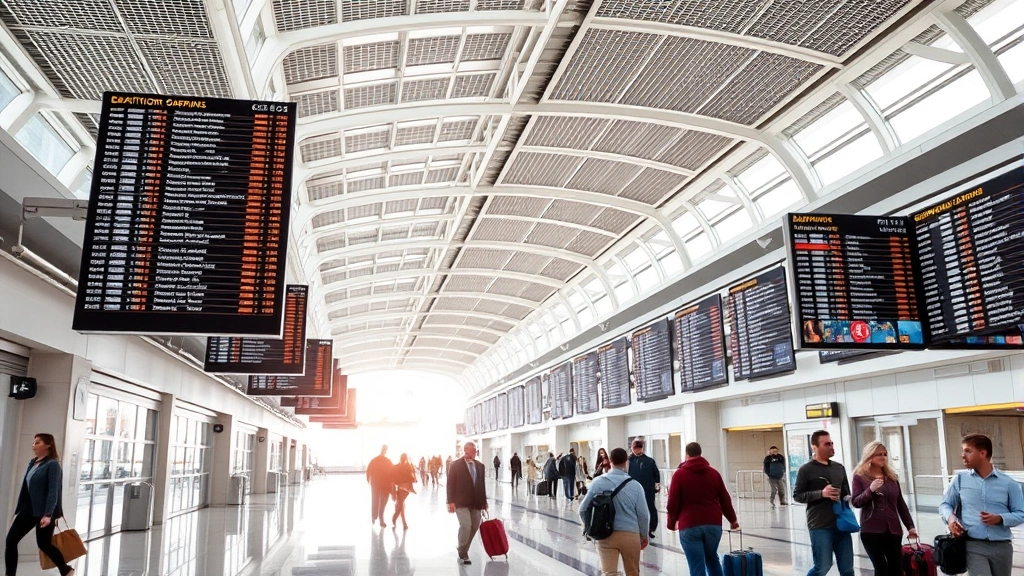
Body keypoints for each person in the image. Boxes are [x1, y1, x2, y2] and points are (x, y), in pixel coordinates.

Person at [939, 433, 1024, 576]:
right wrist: (951, 519)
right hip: (973, 544)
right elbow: (945, 504)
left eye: (968, 451)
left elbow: (1021, 513)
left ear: (983, 453)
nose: (963, 455)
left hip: (1002, 546)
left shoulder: (1009, 483)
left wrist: (1000, 518)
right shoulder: (959, 480)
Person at [5, 433, 75, 576]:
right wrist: (19, 509)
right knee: (11, 540)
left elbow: (53, 491)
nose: (33, 445)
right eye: (33, 442)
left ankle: (65, 569)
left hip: (44, 512)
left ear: (48, 445)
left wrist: (48, 514)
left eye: (37, 442)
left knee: (44, 544)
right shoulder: (33, 462)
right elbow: (27, 488)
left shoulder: (53, 465)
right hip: (27, 510)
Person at [666, 442, 739, 576]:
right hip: (713, 524)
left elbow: (672, 503)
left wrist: (671, 523)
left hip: (689, 525)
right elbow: (725, 500)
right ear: (700, 454)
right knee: (712, 559)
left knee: (696, 565)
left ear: (686, 455)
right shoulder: (713, 473)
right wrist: (733, 520)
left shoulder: (679, 475)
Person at [578, 447, 649, 576]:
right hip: (630, 535)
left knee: (609, 573)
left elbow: (582, 509)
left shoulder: (597, 483)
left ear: (610, 461)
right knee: (633, 572)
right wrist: (644, 536)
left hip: (605, 535)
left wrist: (591, 529)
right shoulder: (636, 486)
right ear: (626, 461)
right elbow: (643, 515)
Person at [850, 441, 917, 576]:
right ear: (870, 456)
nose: (883, 457)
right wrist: (871, 490)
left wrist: (910, 526)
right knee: (881, 568)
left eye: (884, 454)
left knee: (896, 568)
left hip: (893, 530)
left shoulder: (891, 477)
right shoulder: (860, 477)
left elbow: (900, 504)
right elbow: (856, 502)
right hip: (871, 530)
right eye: (878, 454)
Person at [793, 430, 853, 576]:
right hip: (819, 525)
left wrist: (847, 497)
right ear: (815, 447)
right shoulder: (806, 470)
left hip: (841, 523)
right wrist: (822, 494)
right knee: (822, 566)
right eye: (827, 444)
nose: (831, 446)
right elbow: (797, 496)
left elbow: (846, 492)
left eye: (832, 443)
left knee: (847, 569)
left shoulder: (839, 468)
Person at [447, 442, 488, 565]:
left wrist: (484, 502)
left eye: (476, 450)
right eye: (473, 450)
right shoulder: (455, 465)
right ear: (466, 450)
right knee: (466, 525)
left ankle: (463, 549)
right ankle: (463, 553)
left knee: (474, 526)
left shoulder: (480, 466)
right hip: (461, 502)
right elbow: (450, 484)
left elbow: (482, 485)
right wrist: (450, 501)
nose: (475, 452)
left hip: (476, 502)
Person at [627, 438, 661, 539]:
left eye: (639, 448)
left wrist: (657, 484)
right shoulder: (628, 461)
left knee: (651, 508)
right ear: (632, 448)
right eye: (635, 448)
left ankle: (651, 529)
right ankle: (636, 529)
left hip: (648, 489)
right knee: (634, 509)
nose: (637, 450)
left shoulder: (649, 461)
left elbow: (656, 474)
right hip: (633, 489)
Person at [366, 445, 393, 527]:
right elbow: (392, 472)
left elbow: (368, 471)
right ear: (385, 450)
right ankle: (377, 517)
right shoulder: (387, 461)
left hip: (377, 484)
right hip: (382, 484)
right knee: (381, 501)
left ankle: (375, 516)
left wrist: (369, 480)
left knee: (376, 500)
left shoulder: (375, 460)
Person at [391, 453, 417, 529]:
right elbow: (412, 477)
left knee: (401, 505)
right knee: (401, 506)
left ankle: (399, 520)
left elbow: (412, 477)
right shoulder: (403, 466)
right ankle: (397, 520)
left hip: (405, 489)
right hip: (402, 489)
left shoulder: (406, 466)